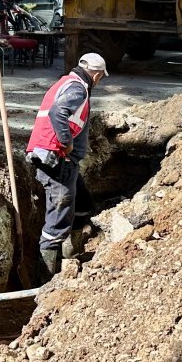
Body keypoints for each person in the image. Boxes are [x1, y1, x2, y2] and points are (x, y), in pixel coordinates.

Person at [26, 52, 109, 277]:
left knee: (83, 203)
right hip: (58, 160)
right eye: (100, 78)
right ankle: (45, 278)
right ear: (97, 75)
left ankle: (71, 253)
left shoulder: (67, 82)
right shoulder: (77, 88)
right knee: (57, 220)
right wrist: (67, 142)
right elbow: (58, 112)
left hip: (60, 160)